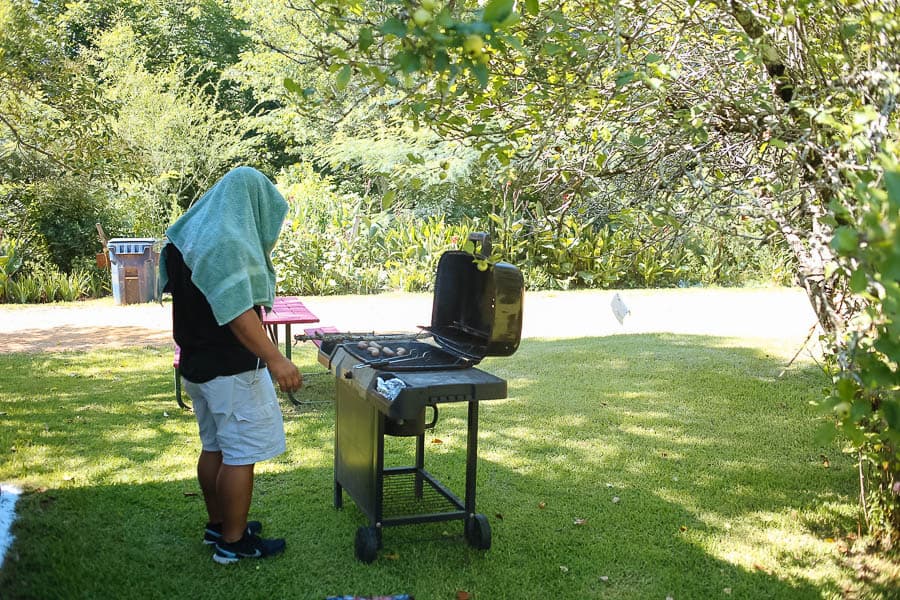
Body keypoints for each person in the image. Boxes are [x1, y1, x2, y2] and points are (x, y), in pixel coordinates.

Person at [158, 166, 301, 564]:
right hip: (231, 368)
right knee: (240, 454)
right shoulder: (227, 243)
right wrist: (275, 358)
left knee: (215, 446)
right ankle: (234, 543)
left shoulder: (188, 235)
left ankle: (218, 524)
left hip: (197, 364)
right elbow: (237, 310)